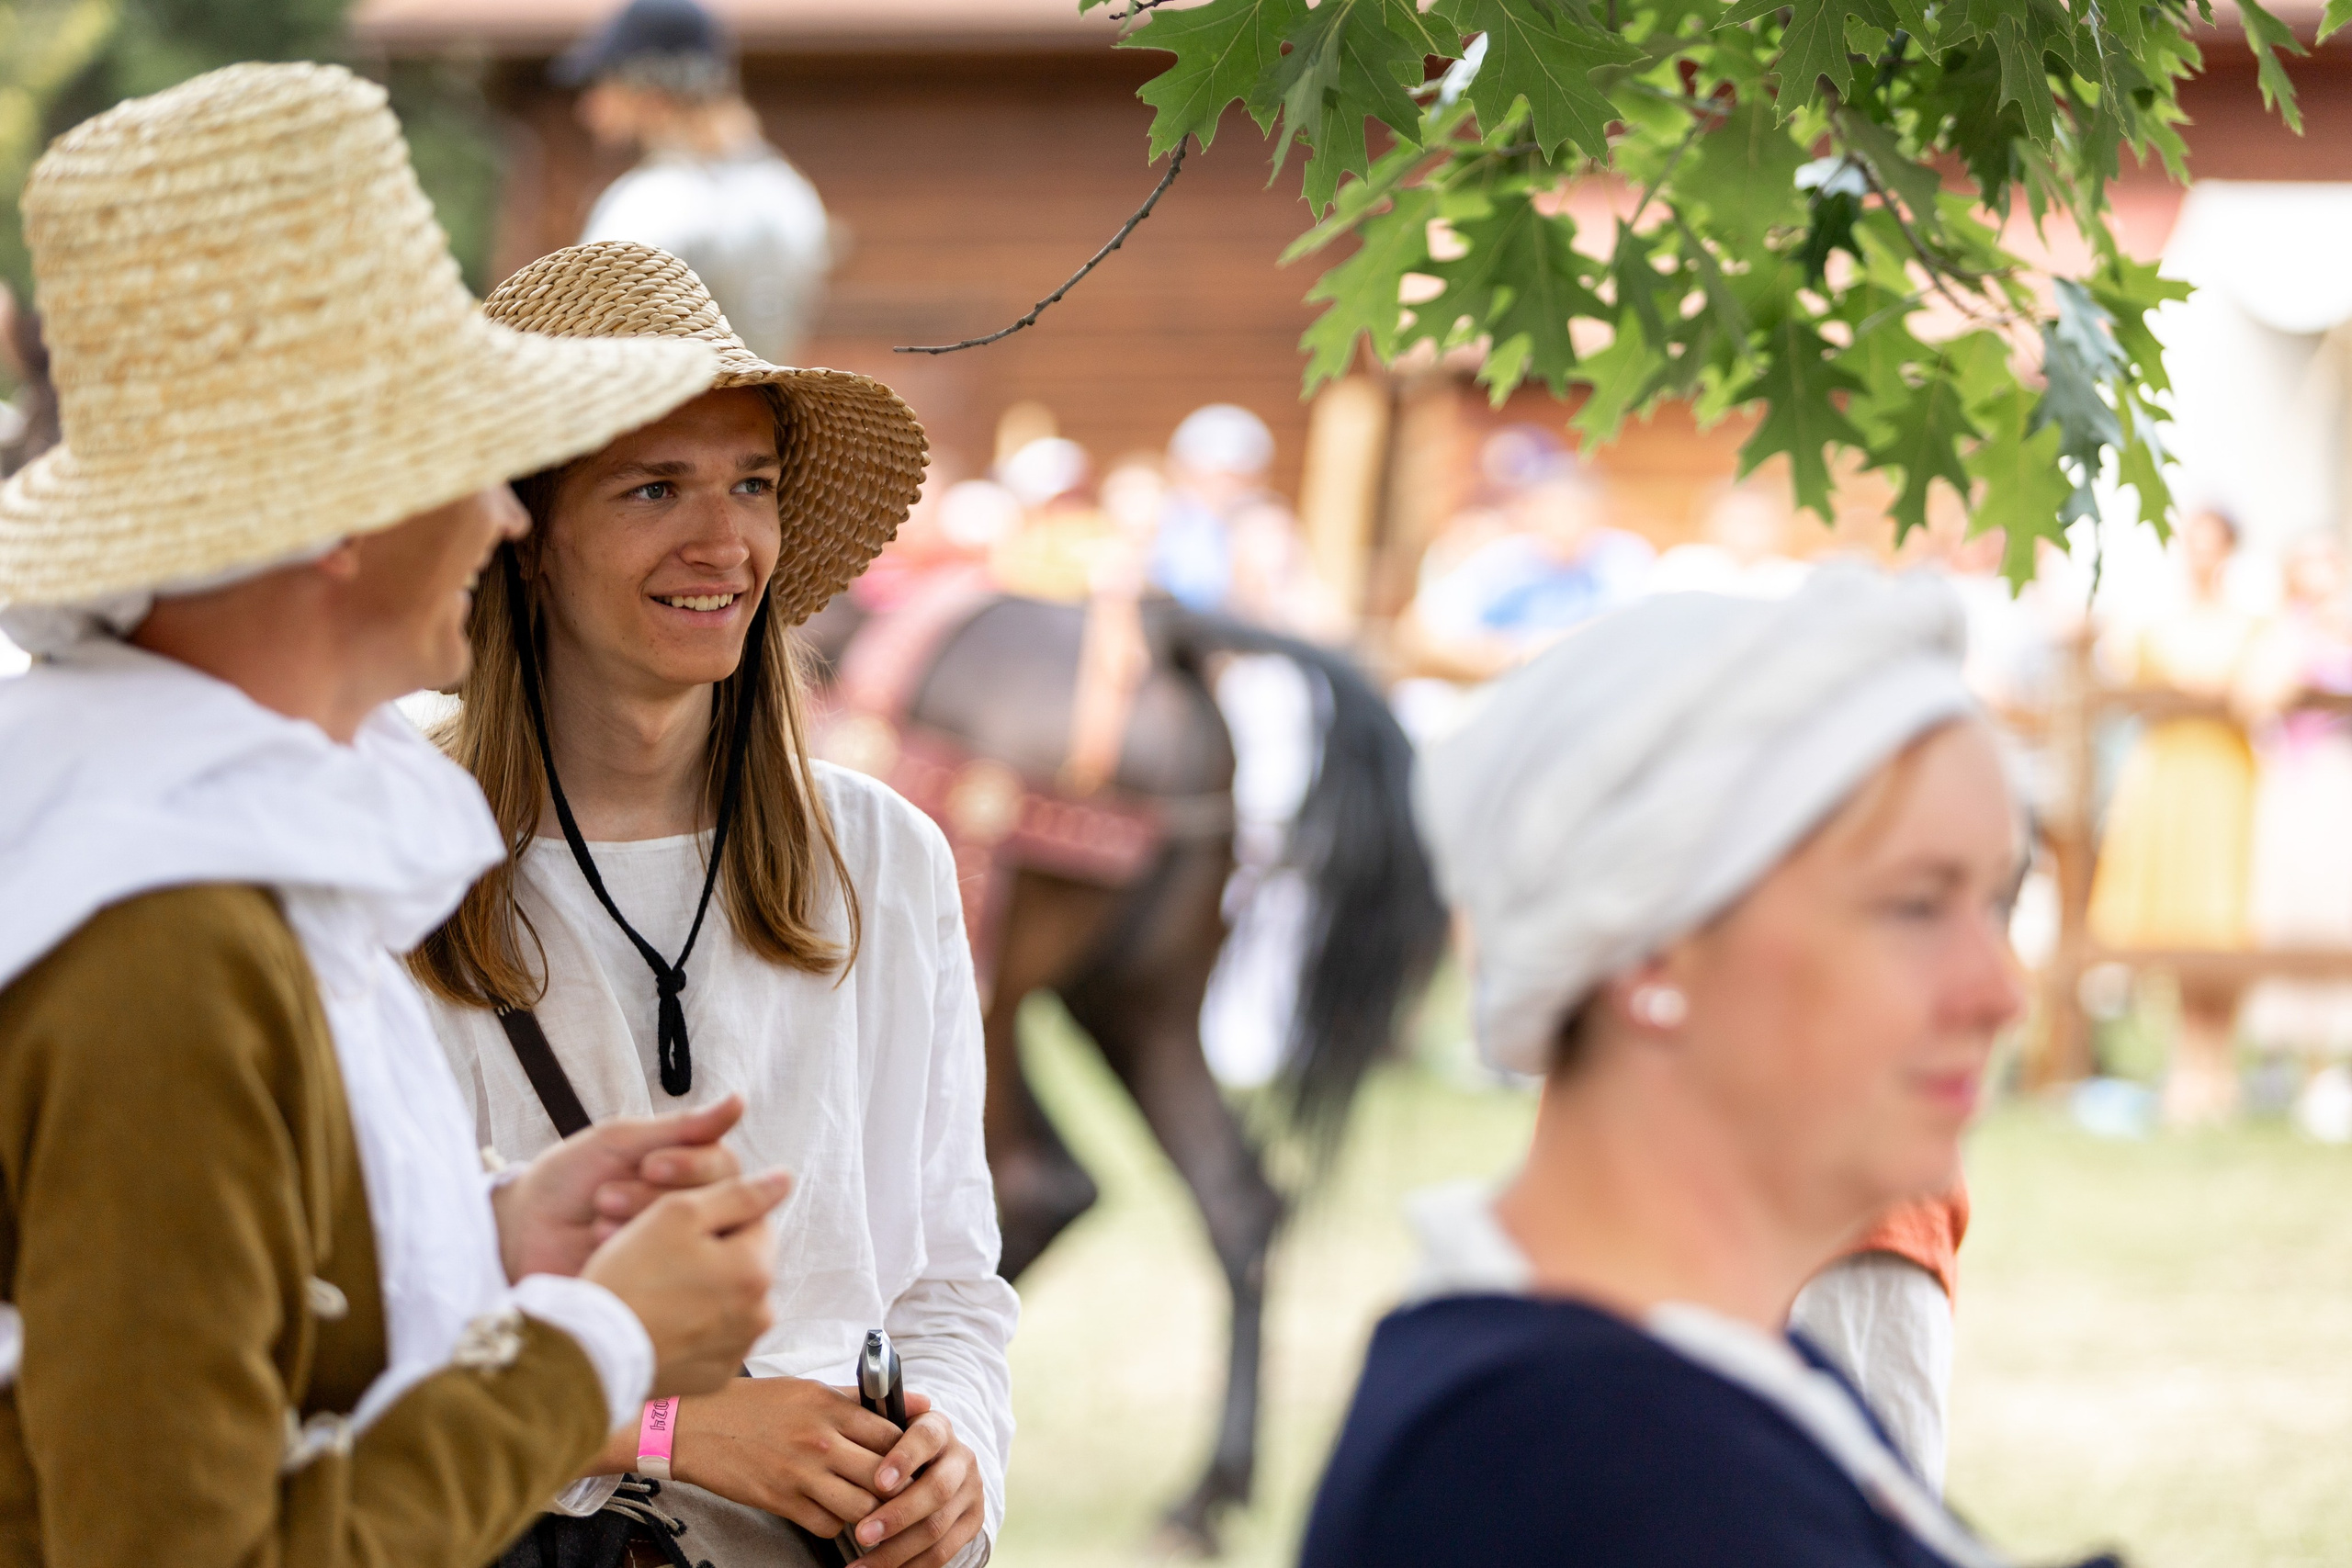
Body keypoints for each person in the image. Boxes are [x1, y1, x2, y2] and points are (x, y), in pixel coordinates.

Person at [0, 63, 791, 1565]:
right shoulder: (159, 933)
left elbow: (199, 1317)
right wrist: (596, 1346)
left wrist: (484, 1236)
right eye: (468, 458)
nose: (504, 514)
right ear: (342, 513)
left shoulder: (171, 845)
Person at [1302, 568, 2098, 1567]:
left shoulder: (1709, 1374)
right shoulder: (1592, 1460)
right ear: (1650, 955)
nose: (2001, 994)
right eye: (1914, 906)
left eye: (1994, 904)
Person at [413, 241, 1012, 1568]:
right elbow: (347, 1322)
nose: (723, 541)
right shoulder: (390, 850)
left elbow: (947, 1280)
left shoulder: (882, 858)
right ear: (524, 533)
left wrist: (954, 1461)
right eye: (653, 486)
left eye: (752, 483)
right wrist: (672, 1428)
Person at [2088, 507, 2264, 1123]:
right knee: (2177, 920)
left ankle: (2220, 1071)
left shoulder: (2251, 625)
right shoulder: (2152, 624)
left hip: (2225, 778)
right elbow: (2122, 689)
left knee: (2223, 918)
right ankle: (2186, 1071)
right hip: (2167, 777)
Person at [561, 0, 832, 366]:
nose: (589, 108)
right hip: (764, 398)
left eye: (603, 84)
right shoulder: (788, 192)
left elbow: (587, 350)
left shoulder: (649, 202)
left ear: (651, 96)